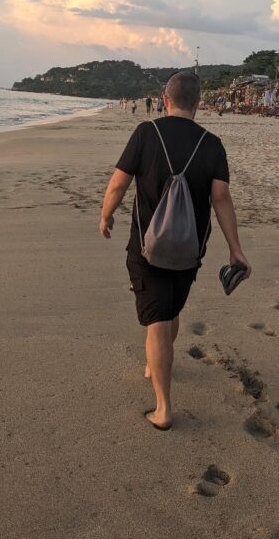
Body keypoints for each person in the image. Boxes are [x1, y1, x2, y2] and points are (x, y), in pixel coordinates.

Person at [99, 71, 251, 430]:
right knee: (171, 307)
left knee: (157, 321)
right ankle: (156, 361)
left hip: (146, 246)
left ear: (165, 99)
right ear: (198, 104)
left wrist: (105, 216)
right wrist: (236, 249)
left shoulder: (146, 133)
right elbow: (221, 198)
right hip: (189, 248)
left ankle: (163, 408)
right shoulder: (212, 144)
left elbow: (118, 184)